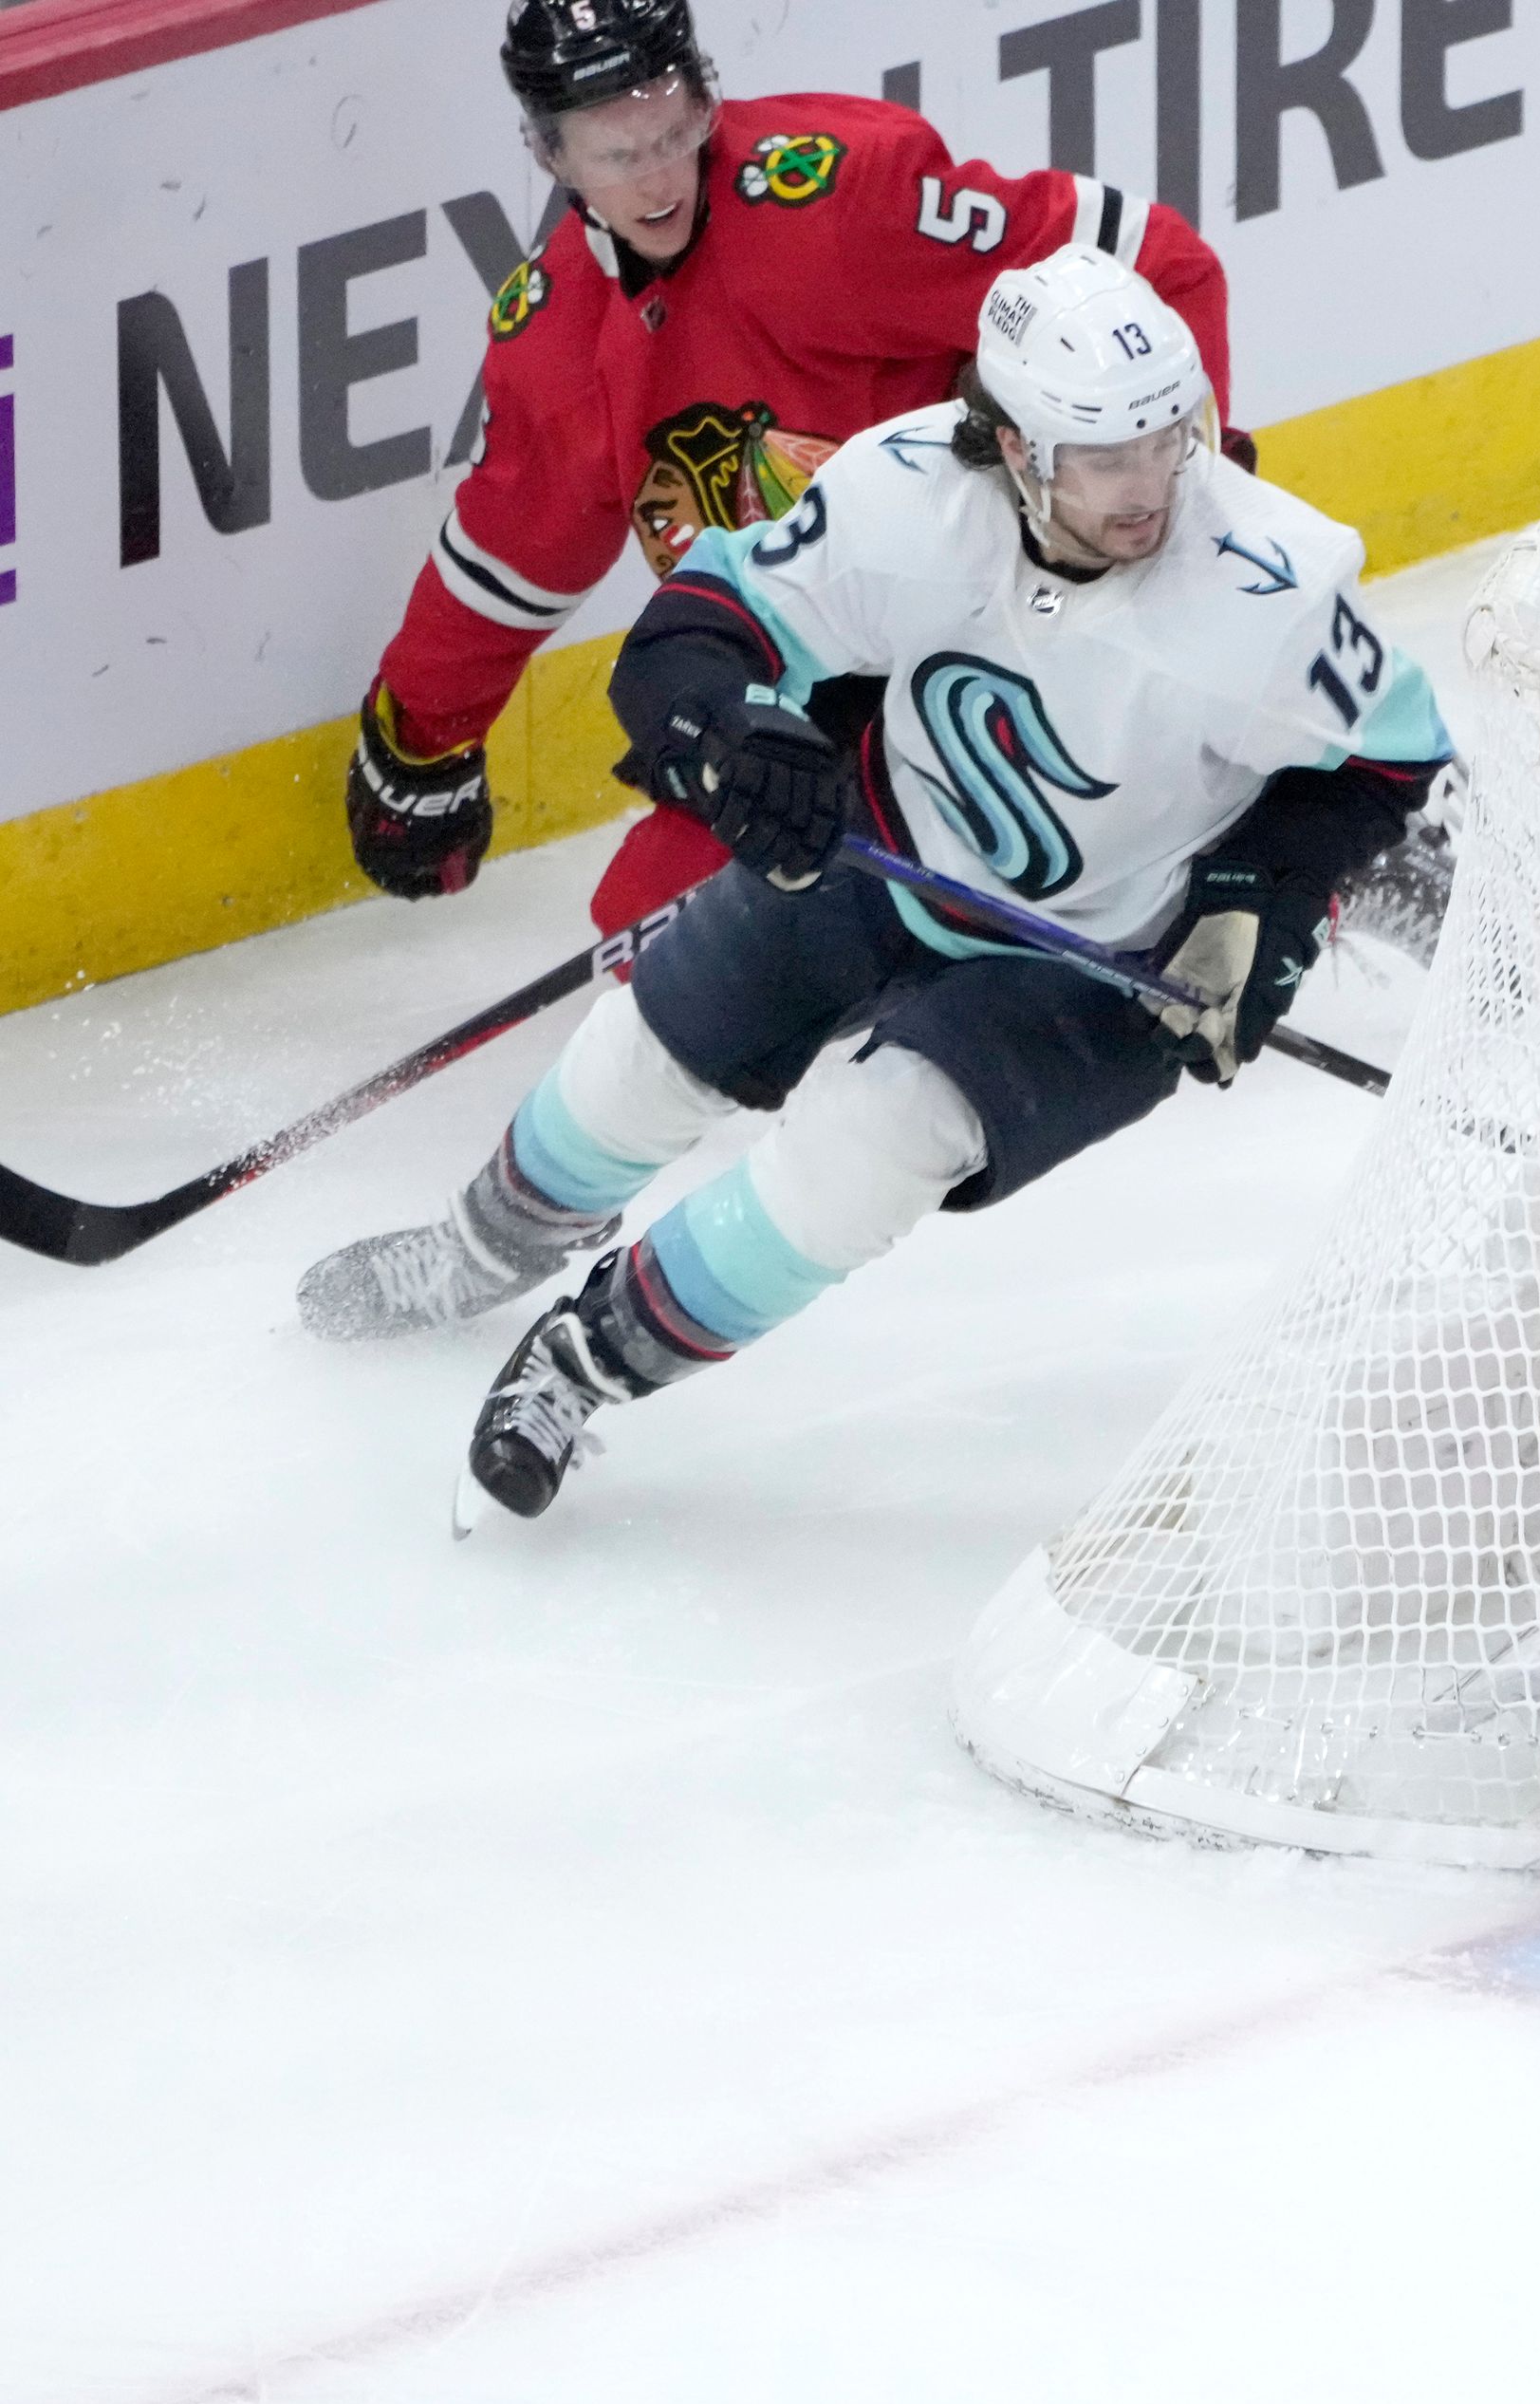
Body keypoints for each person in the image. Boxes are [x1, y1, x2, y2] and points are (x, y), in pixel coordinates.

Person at [296, 249, 1450, 1526]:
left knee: (864, 1151)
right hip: (884, 853)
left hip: (1094, 966)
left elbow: (1392, 762)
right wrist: (736, 733)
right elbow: (693, 635)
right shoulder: (906, 492)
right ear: (1011, 444)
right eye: (1104, 455)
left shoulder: (1264, 585)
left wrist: (1260, 899)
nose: (1151, 490)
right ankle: (480, 1250)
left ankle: (588, 1358)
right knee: (636, 1055)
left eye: (1168, 442)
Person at [342, 0, 1238, 935]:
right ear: (553, 158)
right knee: (650, 943)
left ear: (704, 99)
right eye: (616, 156)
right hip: (810, 685)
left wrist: (1189, 513)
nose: (657, 181)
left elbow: (1156, 266)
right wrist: (418, 743)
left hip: (1015, 624)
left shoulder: (841, 199)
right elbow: (512, 554)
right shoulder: (557, 339)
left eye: (673, 133)